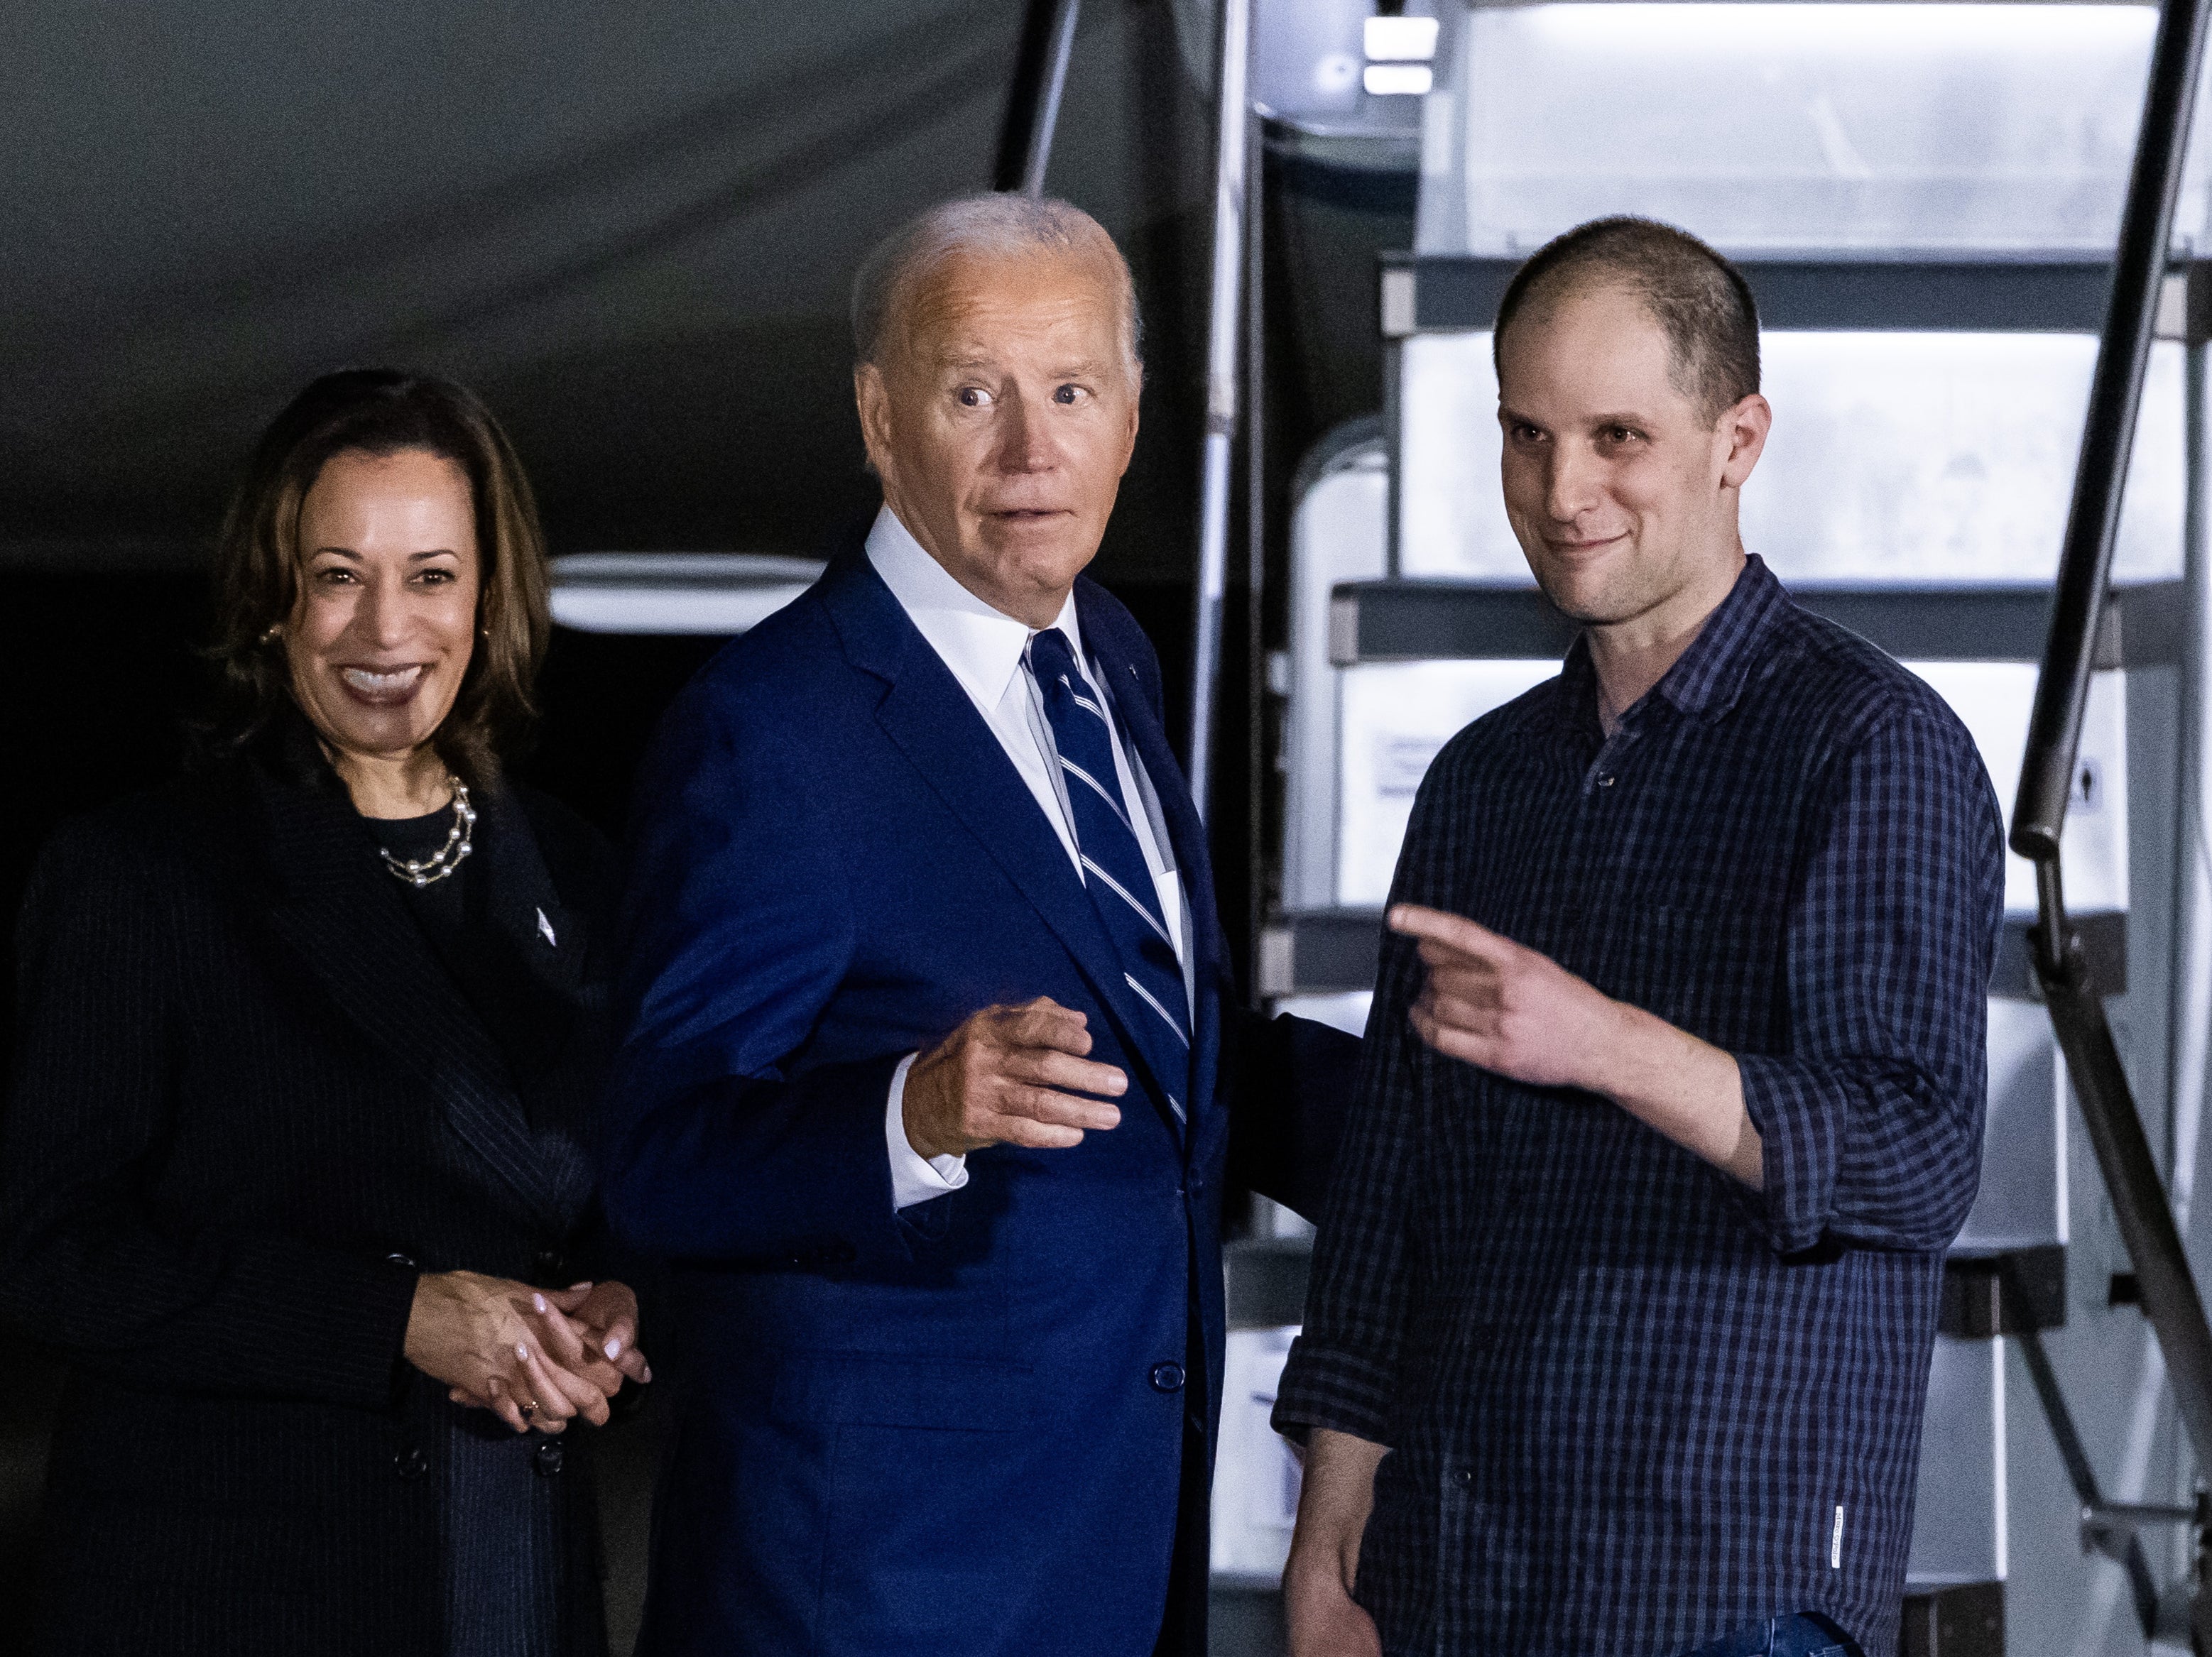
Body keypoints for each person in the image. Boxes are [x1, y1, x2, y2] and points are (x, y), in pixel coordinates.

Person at [599, 192, 1359, 1656]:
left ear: (1132, 416)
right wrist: (910, 1112)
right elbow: (658, 1159)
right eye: (972, 394)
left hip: (1105, 1551)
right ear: (879, 419)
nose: (1030, 451)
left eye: (1070, 391)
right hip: (876, 1592)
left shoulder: (1108, 656)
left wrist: (1479, 1138)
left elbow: (1171, 1057)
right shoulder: (770, 729)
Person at [1274, 218, 2007, 1657]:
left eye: (1619, 437)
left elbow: (1917, 1155)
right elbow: (1390, 1190)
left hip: (1717, 1596)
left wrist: (1606, 1045)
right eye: (1527, 436)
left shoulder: (1870, 746)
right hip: (1451, 1578)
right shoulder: (1484, 779)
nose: (1563, 493)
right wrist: (1331, 1528)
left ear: (1738, 441)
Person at [0, 370, 650, 1657]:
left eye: (431, 576)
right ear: (272, 599)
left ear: (489, 597)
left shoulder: (581, 873)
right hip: (233, 1590)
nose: (385, 628)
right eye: (338, 576)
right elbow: (51, 1255)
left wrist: (625, 1302)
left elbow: (628, 1186)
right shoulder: (146, 874)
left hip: (508, 1580)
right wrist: (394, 1319)